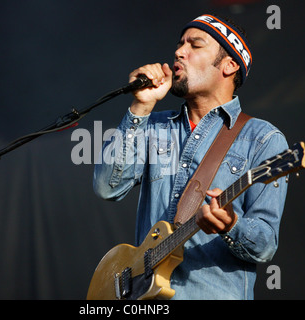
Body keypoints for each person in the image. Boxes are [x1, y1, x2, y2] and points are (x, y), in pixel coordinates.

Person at [93, 14, 288, 300]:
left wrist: (231, 224)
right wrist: (140, 107)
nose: (179, 51)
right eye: (180, 43)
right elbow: (107, 187)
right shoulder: (153, 124)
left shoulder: (264, 139)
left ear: (229, 65)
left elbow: (265, 244)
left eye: (195, 45)